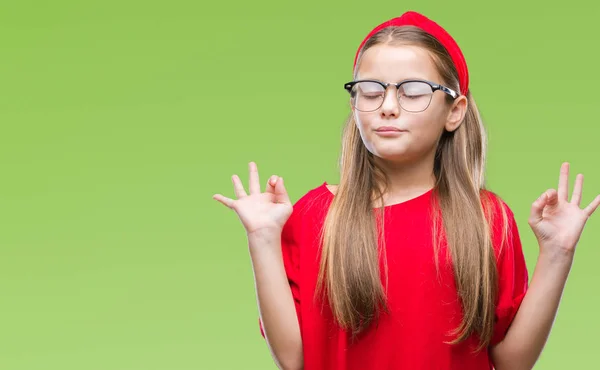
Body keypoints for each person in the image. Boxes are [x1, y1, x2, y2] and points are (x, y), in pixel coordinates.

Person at [212, 10, 600, 370]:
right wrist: (263, 238)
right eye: (370, 90)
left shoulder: (488, 219)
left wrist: (557, 254)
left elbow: (512, 362)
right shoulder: (315, 214)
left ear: (455, 110)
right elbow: (294, 358)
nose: (388, 106)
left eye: (412, 91)